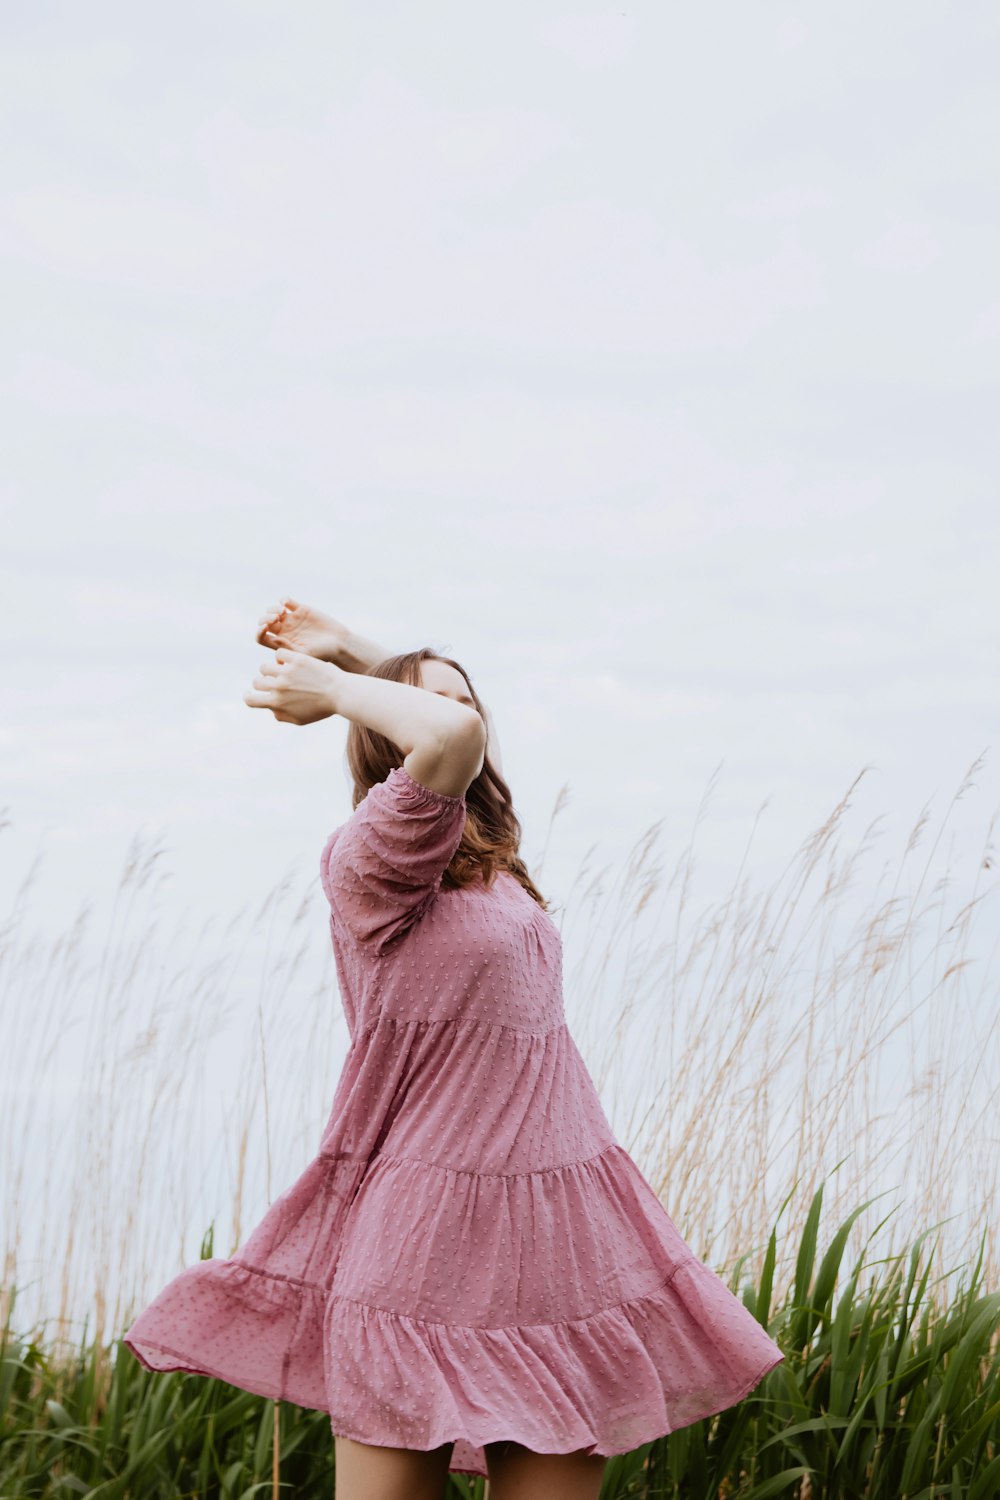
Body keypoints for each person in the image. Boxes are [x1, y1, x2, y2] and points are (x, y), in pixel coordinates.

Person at [122, 597, 784, 1500]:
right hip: (421, 1251)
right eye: (432, 703)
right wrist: (343, 683)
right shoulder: (369, 865)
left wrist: (352, 654)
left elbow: (459, 733)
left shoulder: (495, 860)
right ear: (381, 734)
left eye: (463, 698)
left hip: (559, 1252)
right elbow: (448, 736)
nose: (464, 716)